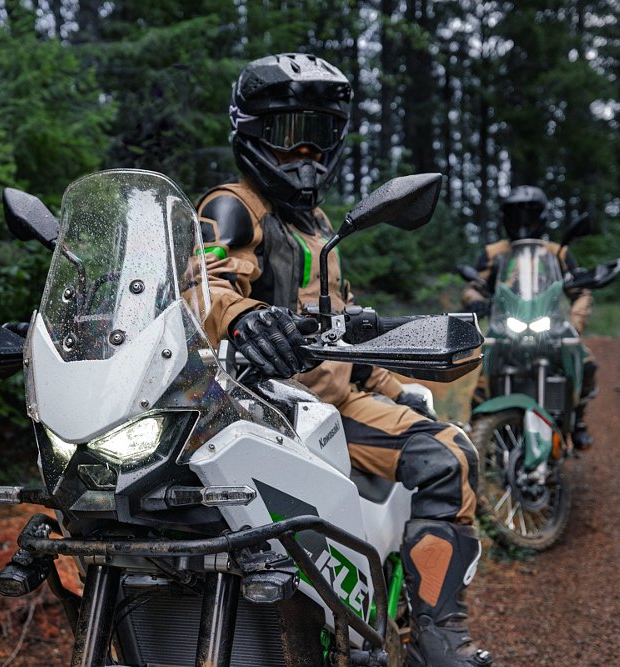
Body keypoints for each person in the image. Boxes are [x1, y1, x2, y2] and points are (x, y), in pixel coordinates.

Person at [197, 52, 492, 667]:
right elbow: (204, 284)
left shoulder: (318, 226)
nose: (306, 152)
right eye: (289, 134)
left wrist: (392, 383)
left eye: (321, 136)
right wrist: (245, 317)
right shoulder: (233, 207)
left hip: (331, 407)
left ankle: (433, 638)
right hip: (260, 410)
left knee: (450, 454)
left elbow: (340, 338)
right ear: (250, 130)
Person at [461, 185, 597, 449]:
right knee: (483, 380)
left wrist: (575, 323)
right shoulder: (494, 253)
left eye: (530, 216)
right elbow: (473, 286)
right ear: (505, 218)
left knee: (586, 362)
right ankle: (475, 432)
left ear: (542, 218)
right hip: (505, 327)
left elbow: (581, 291)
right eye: (516, 215)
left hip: (550, 326)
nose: (523, 222)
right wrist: (477, 302)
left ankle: (577, 420)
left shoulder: (557, 252)